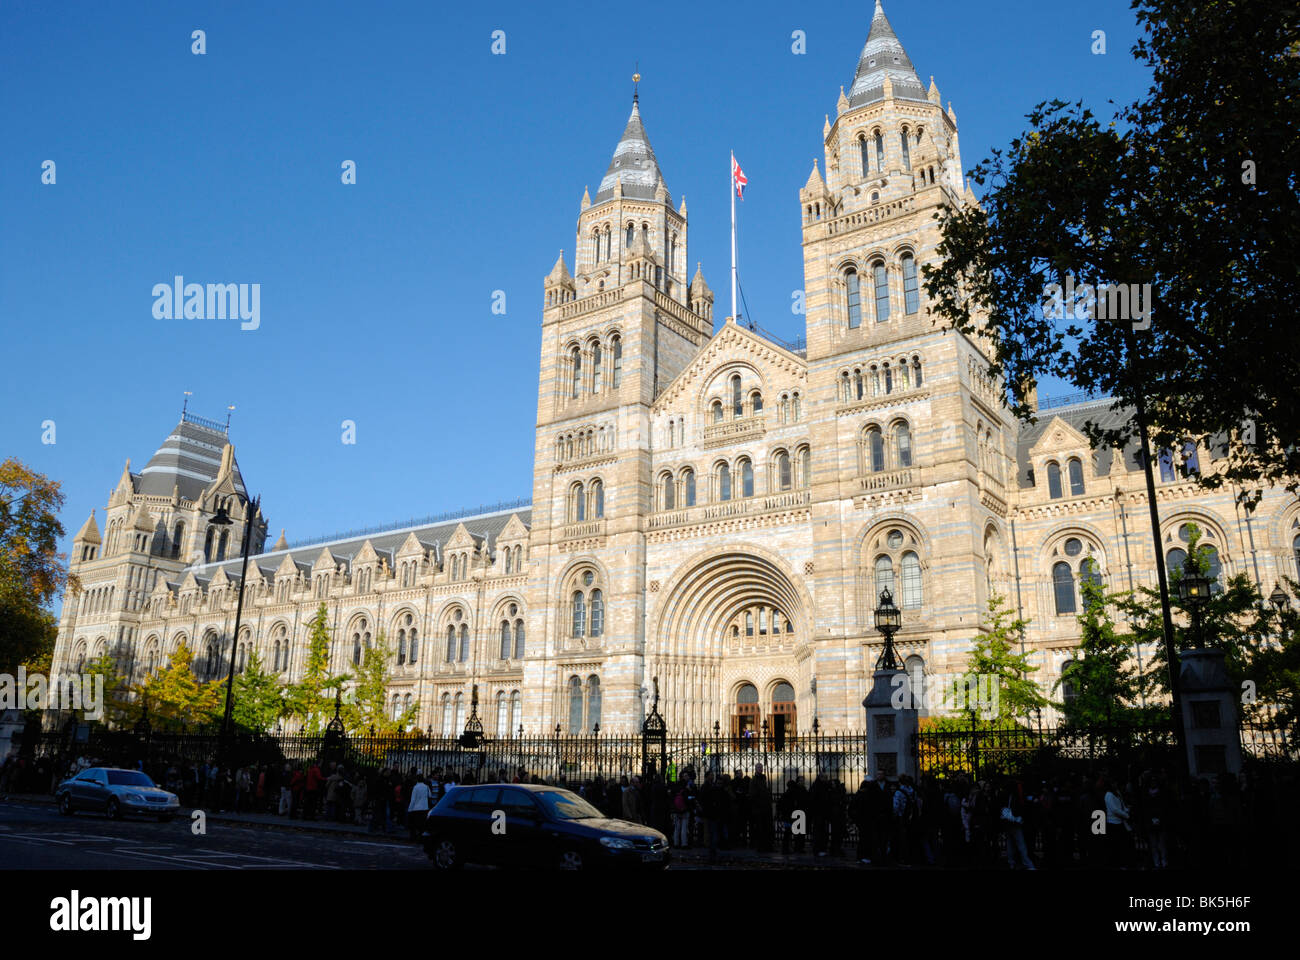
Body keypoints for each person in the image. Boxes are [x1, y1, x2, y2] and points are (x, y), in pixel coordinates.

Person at [407, 772, 431, 841]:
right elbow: (430, 795)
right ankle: (421, 838)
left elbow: (413, 800)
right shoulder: (426, 787)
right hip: (424, 808)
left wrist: (410, 809)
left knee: (414, 825)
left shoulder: (416, 787)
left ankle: (414, 838)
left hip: (416, 809)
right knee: (422, 826)